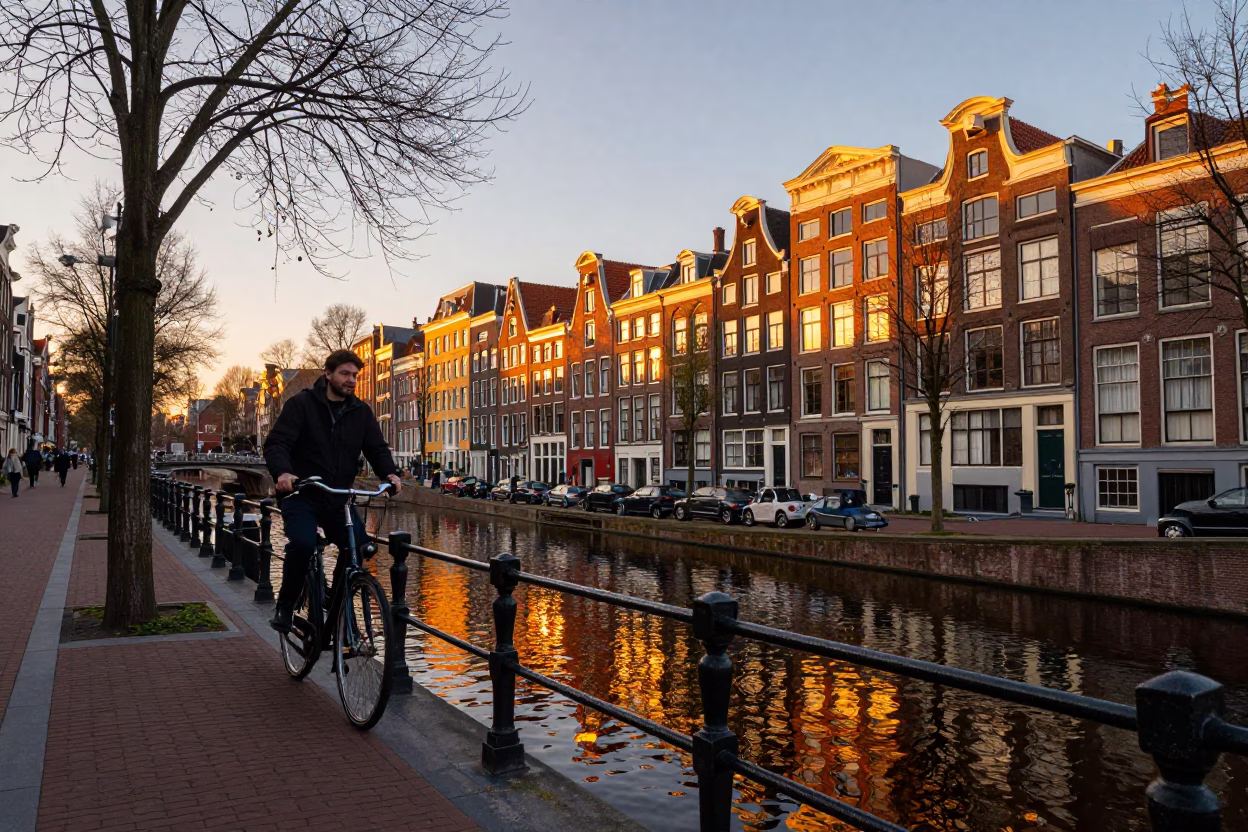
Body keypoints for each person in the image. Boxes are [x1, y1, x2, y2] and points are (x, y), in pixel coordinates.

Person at [263, 350, 402, 633]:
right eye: (345, 374)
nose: (351, 380)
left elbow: (376, 448)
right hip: (302, 494)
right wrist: (284, 473)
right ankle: (286, 606)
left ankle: (336, 605)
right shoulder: (300, 405)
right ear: (327, 374)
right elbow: (277, 444)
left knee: (359, 549)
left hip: (338, 497)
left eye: (355, 376)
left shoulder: (360, 412)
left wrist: (389, 473)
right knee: (301, 545)